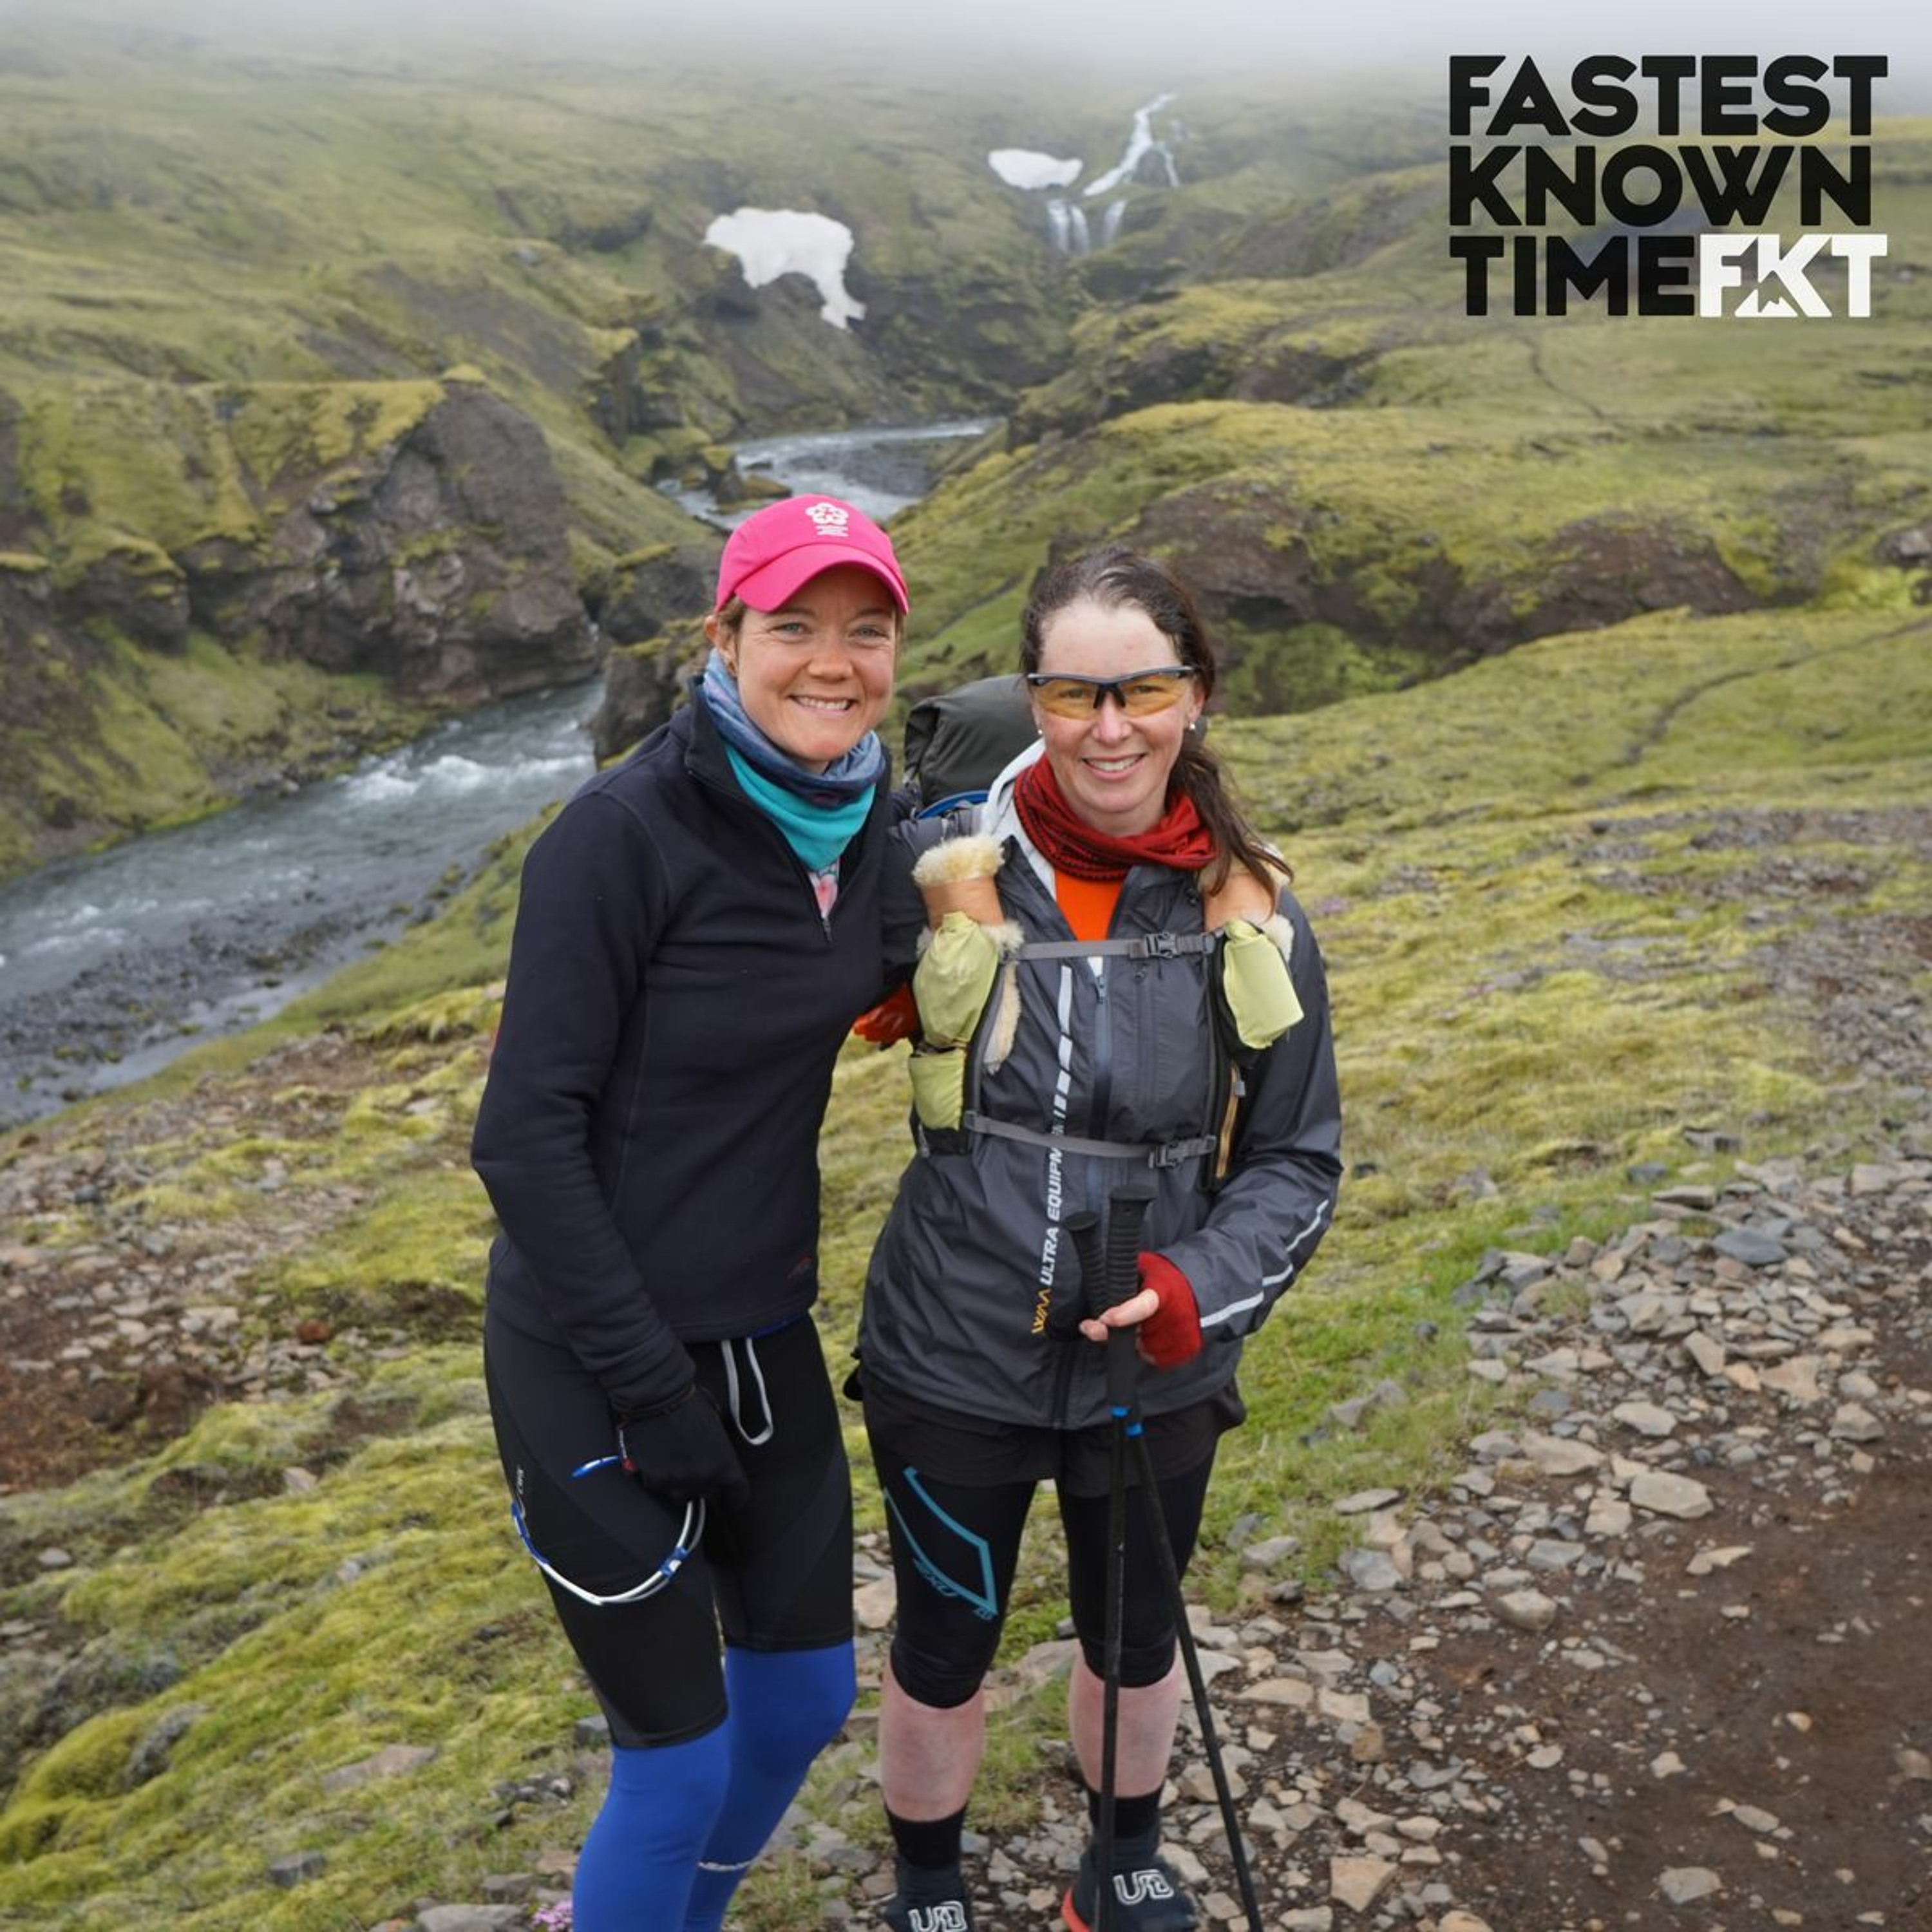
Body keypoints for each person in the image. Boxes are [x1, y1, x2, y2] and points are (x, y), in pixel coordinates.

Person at [858, 545, 1343, 1932]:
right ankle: (927, 1890)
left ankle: (1120, 1862)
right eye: (1075, 693)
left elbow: (1299, 1154)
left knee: (1136, 1639)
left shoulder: (1249, 913)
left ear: (1196, 696)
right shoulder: (940, 877)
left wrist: (1198, 1287)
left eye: (1143, 690)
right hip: (953, 1348)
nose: (1110, 727)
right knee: (944, 1639)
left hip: (1158, 1356)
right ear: (1036, 699)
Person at [471, 493, 909, 1932]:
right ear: (726, 637)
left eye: (867, 631)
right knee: (673, 1767)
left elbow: (944, 913)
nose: (832, 661)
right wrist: (650, 1385)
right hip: (593, 1359)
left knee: (802, 1699)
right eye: (795, 627)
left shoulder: (868, 819)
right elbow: (520, 1141)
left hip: (761, 1328)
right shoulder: (619, 836)